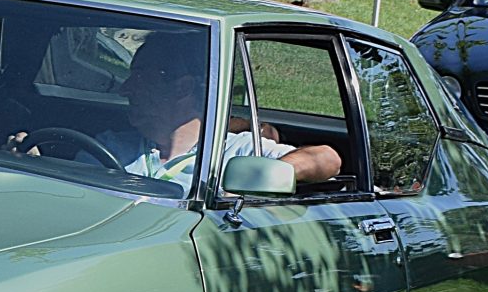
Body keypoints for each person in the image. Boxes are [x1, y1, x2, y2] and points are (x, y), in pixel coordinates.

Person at [27, 31, 344, 194]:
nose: (125, 89)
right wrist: (34, 167)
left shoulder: (234, 152)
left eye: (139, 78)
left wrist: (266, 175)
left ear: (181, 87)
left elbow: (326, 158)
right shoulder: (110, 147)